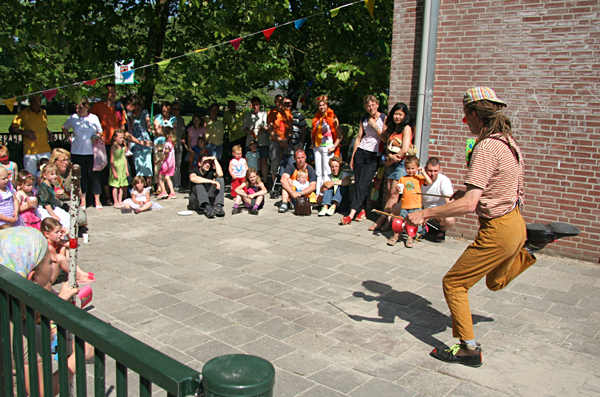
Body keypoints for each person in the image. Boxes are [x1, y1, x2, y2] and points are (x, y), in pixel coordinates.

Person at [405, 87, 580, 367]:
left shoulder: (485, 147)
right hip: (516, 225)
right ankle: (533, 246)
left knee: (454, 283)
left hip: (497, 230)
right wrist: (466, 193)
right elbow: (493, 188)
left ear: (475, 114)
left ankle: (469, 349)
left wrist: (424, 213)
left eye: (465, 117)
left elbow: (469, 205)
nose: (466, 123)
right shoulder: (508, 142)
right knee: (495, 282)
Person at [0, 227, 95, 396]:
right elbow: (41, 391)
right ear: (33, 277)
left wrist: (58, 302)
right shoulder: (25, 332)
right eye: (49, 262)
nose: (53, 262)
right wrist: (80, 355)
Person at [342, 95, 387, 225]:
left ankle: (352, 212)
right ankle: (361, 210)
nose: (371, 107)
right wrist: (353, 156)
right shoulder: (364, 119)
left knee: (365, 183)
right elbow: (358, 138)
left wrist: (375, 126)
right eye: (368, 106)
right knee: (358, 182)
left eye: (373, 105)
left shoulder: (384, 118)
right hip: (361, 152)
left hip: (374, 154)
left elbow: (384, 138)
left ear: (377, 105)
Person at [370, 102, 413, 231]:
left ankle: (382, 219)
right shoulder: (391, 129)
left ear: (405, 116)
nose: (397, 117)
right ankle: (390, 220)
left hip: (400, 163)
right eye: (395, 114)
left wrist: (394, 158)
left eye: (400, 114)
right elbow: (388, 146)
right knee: (389, 193)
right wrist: (388, 158)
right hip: (390, 162)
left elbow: (405, 149)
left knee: (395, 193)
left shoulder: (406, 128)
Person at [62, 98, 103, 210]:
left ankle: (97, 200)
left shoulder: (93, 118)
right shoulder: (73, 118)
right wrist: (68, 138)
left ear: (86, 107)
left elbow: (100, 131)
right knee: (81, 177)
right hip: (77, 152)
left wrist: (97, 136)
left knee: (94, 176)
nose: (78, 110)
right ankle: (83, 200)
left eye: (80, 107)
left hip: (91, 152)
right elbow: (64, 127)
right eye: (76, 107)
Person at [90, 84, 126, 206]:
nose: (114, 94)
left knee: (117, 168)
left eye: (115, 92)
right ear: (106, 93)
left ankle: (119, 196)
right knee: (105, 170)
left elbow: (122, 123)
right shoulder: (98, 106)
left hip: (116, 143)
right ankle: (107, 195)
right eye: (111, 92)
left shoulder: (118, 107)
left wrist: (124, 138)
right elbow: (91, 121)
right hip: (103, 143)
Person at [388, 155, 432, 247]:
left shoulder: (419, 178)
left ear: (417, 168)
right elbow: (398, 190)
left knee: (412, 224)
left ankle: (410, 238)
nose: (410, 170)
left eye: (413, 168)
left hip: (416, 206)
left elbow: (429, 182)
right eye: (408, 168)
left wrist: (423, 172)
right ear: (405, 168)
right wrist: (398, 190)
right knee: (400, 221)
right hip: (404, 205)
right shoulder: (403, 178)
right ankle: (395, 236)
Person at [40, 218, 95, 284]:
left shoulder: (53, 241)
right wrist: (62, 247)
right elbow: (60, 260)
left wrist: (69, 233)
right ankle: (77, 276)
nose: (59, 234)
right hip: (47, 279)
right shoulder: (48, 246)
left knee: (65, 248)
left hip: (52, 271)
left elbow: (73, 245)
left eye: (60, 231)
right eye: (56, 232)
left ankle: (79, 272)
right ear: (47, 234)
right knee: (61, 254)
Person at [9, 95, 53, 176]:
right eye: (35, 101)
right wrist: (25, 132)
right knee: (31, 177)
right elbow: (12, 129)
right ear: (30, 102)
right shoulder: (23, 114)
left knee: (48, 176)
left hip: (45, 149)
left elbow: (42, 126)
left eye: (39, 101)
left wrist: (48, 132)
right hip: (30, 152)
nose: (37, 103)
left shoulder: (43, 112)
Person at [311, 96, 341, 198]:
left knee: (326, 172)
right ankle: (318, 194)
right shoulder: (317, 118)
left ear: (327, 105)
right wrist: (312, 143)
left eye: (323, 105)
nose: (322, 107)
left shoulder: (333, 118)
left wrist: (334, 146)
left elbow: (340, 135)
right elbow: (314, 133)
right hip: (317, 147)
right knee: (318, 172)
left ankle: (326, 195)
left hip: (327, 147)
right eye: (320, 105)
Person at [421, 157, 455, 243]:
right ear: (425, 169)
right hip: (422, 210)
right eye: (430, 171)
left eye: (435, 171)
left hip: (438, 214)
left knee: (449, 218)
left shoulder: (444, 180)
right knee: (397, 207)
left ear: (440, 170)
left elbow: (449, 203)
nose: (433, 174)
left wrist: (431, 213)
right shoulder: (419, 179)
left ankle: (442, 230)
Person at [124, 94, 154, 189]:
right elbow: (129, 129)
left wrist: (152, 130)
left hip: (145, 140)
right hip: (134, 141)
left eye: (130, 104)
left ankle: (148, 187)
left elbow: (148, 125)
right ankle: (139, 187)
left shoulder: (144, 113)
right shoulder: (127, 115)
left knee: (147, 164)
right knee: (138, 165)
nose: (128, 106)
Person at [278, 149, 317, 213]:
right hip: (293, 191)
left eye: (302, 157)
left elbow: (313, 186)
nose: (301, 160)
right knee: (287, 181)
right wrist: (292, 193)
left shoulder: (310, 169)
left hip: (305, 192)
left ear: (305, 157)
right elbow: (283, 180)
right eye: (298, 158)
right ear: (294, 158)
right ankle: (284, 203)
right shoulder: (291, 167)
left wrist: (300, 193)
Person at [188, 153, 226, 218]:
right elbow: (193, 178)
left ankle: (218, 206)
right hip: (196, 201)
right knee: (198, 183)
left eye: (209, 162)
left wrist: (215, 160)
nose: (207, 164)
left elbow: (220, 174)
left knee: (220, 179)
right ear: (199, 164)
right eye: (205, 162)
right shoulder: (195, 170)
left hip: (209, 199)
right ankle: (207, 206)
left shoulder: (211, 172)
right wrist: (211, 181)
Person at [242, 97, 269, 183]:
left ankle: (264, 181)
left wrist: (263, 129)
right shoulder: (248, 115)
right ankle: (250, 182)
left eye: (257, 104)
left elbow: (269, 127)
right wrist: (249, 131)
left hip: (262, 141)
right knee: (250, 162)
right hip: (251, 141)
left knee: (263, 161)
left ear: (259, 105)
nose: (255, 106)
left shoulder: (265, 114)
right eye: (254, 105)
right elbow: (243, 128)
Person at [267, 95, 293, 185]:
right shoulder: (271, 113)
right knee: (275, 161)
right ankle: (274, 184)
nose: (279, 103)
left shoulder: (287, 113)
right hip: (275, 140)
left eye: (281, 101)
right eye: (277, 101)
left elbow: (290, 129)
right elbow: (270, 129)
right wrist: (279, 140)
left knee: (288, 161)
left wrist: (286, 139)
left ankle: (286, 182)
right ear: (275, 102)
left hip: (286, 141)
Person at [37, 163, 70, 229]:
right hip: (44, 209)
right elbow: (46, 203)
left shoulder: (50, 185)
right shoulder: (43, 187)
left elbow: (50, 195)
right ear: (44, 175)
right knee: (53, 222)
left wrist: (56, 194)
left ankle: (64, 233)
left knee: (66, 216)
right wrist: (53, 215)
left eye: (56, 174)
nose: (55, 176)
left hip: (51, 207)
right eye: (52, 174)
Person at [108, 130, 129, 208]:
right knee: (115, 186)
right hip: (116, 168)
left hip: (122, 168)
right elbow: (111, 160)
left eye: (123, 138)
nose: (122, 139)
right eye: (120, 138)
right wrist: (114, 171)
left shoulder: (123, 147)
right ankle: (115, 201)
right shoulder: (113, 147)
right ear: (115, 138)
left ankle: (120, 201)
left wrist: (126, 169)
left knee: (122, 185)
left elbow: (124, 158)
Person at [157, 128, 177, 199]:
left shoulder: (168, 143)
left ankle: (163, 191)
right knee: (167, 177)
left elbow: (166, 153)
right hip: (172, 164)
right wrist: (161, 150)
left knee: (159, 175)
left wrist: (159, 161)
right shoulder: (171, 143)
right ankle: (172, 192)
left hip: (167, 163)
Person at [171, 100, 186, 191]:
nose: (176, 110)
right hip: (170, 144)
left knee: (177, 164)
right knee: (170, 164)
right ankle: (169, 184)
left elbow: (183, 131)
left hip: (179, 144)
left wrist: (183, 138)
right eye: (174, 109)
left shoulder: (181, 119)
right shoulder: (170, 119)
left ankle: (177, 183)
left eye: (178, 109)